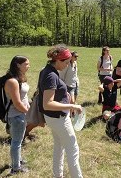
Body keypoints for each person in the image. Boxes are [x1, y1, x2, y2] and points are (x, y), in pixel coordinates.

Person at [38, 44, 83, 178]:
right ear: (58, 60)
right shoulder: (51, 75)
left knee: (59, 146)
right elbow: (48, 103)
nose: (68, 66)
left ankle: (57, 175)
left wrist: (65, 96)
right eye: (67, 62)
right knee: (73, 149)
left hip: (52, 118)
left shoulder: (46, 70)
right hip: (58, 119)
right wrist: (71, 106)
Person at [4, 56, 31, 174]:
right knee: (16, 142)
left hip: (21, 114)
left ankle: (18, 160)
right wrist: (28, 112)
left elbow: (23, 97)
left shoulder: (20, 78)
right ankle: (16, 168)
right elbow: (17, 103)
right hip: (17, 116)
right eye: (26, 64)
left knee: (18, 141)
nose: (28, 66)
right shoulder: (12, 81)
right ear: (18, 65)